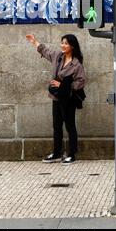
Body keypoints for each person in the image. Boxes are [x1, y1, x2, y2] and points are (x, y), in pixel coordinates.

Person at [26, 33, 86, 165]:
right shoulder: (58, 57)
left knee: (70, 126)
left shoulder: (76, 64)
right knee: (57, 126)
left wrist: (63, 84)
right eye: (62, 42)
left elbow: (80, 82)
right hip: (56, 97)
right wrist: (34, 42)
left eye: (66, 43)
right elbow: (45, 51)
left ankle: (71, 154)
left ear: (72, 46)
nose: (63, 45)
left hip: (69, 99)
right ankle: (57, 153)